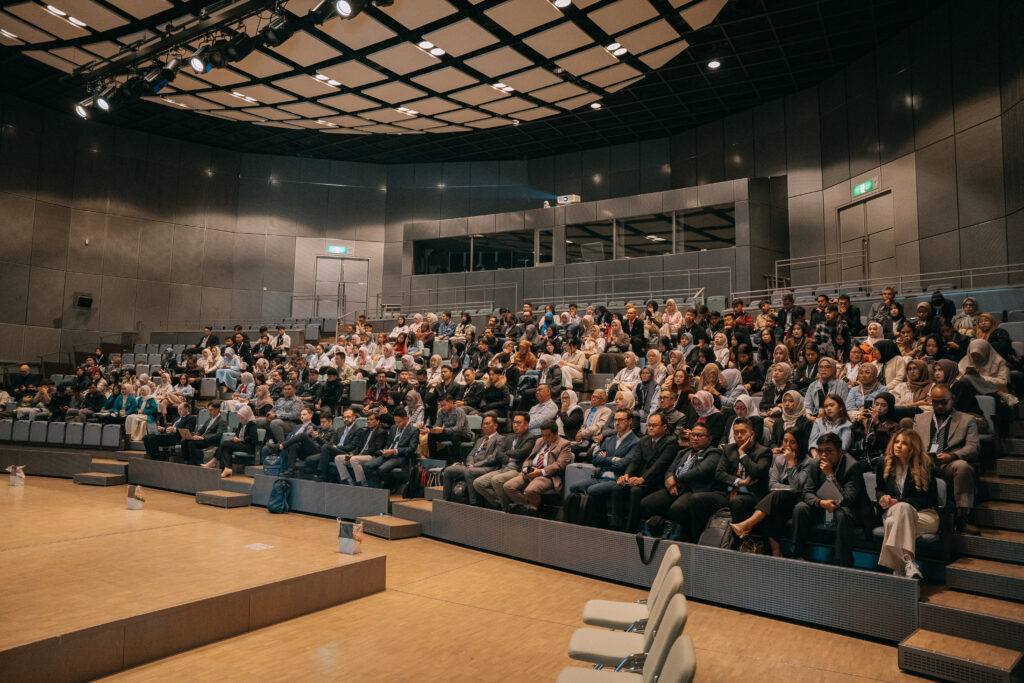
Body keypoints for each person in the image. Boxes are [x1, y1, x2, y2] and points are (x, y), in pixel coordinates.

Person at [791, 433, 873, 567]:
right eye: (820, 451)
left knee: (842, 513)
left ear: (840, 451)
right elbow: (807, 493)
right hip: (824, 507)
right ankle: (797, 556)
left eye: (828, 451)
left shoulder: (853, 466)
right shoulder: (814, 464)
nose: (823, 455)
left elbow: (847, 499)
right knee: (801, 507)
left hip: (853, 511)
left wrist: (830, 475)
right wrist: (820, 503)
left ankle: (842, 563)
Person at [729, 428, 813, 556]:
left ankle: (748, 524)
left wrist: (791, 463)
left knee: (777, 495)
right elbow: (772, 485)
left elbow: (797, 487)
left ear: (800, 443)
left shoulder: (808, 462)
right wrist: (789, 488)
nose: (787, 445)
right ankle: (776, 552)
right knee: (774, 509)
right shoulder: (779, 459)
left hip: (798, 501)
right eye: (785, 441)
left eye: (792, 442)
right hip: (779, 501)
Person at [639, 422, 723, 542]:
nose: (695, 438)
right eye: (693, 435)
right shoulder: (683, 452)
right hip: (676, 487)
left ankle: (684, 538)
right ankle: (661, 528)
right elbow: (670, 470)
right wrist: (669, 481)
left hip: (693, 490)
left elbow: (700, 471)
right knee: (646, 503)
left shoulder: (714, 453)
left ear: (709, 439)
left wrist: (676, 479)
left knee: (677, 508)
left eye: (699, 435)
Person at [914, 385, 980, 534]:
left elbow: (973, 446)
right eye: (935, 402)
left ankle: (963, 517)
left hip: (949, 462)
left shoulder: (967, 420)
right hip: (926, 462)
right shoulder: (920, 418)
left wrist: (952, 456)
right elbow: (914, 443)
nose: (939, 406)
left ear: (953, 399)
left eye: (943, 402)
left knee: (962, 467)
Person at [875, 429, 938, 579]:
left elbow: (931, 499)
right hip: (893, 512)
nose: (898, 446)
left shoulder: (926, 466)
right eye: (896, 442)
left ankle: (899, 568)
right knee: (901, 509)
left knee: (894, 523)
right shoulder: (883, 463)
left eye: (904, 443)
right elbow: (879, 489)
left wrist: (900, 501)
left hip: (924, 515)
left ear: (913, 448)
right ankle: (910, 563)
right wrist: (883, 498)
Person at [609, 413, 677, 533]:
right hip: (640, 478)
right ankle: (616, 527)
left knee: (636, 491)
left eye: (654, 425)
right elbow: (635, 461)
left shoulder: (671, 442)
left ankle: (631, 530)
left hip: (655, 481)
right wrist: (627, 475)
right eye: (649, 425)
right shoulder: (644, 440)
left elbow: (659, 465)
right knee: (617, 488)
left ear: (664, 427)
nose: (650, 428)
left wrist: (642, 479)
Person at [571, 410, 640, 515]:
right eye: (615, 420)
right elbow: (595, 460)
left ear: (630, 421)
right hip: (600, 477)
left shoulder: (636, 442)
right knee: (574, 487)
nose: (617, 423)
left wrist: (605, 460)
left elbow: (624, 464)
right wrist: (613, 459)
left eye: (621, 420)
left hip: (617, 479)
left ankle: (599, 520)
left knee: (592, 490)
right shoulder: (609, 440)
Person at [503, 420, 572, 515]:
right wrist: (525, 469)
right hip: (531, 471)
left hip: (547, 476)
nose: (545, 438)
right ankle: (529, 510)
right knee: (508, 486)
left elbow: (560, 464)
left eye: (548, 435)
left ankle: (531, 512)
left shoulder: (564, 444)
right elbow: (529, 458)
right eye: (543, 435)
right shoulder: (539, 441)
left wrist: (541, 472)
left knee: (530, 490)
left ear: (556, 433)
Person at [473, 413, 538, 510]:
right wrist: (508, 458)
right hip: (504, 468)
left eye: (519, 423)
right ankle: (504, 504)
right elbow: (498, 453)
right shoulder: (509, 437)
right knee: (478, 483)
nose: (515, 425)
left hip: (517, 470)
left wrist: (506, 452)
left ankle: (506, 508)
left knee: (496, 480)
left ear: (526, 424)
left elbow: (521, 453)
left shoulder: (531, 438)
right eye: (514, 422)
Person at [443, 413, 504, 504]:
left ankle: (473, 502)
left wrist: (474, 465)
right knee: (448, 470)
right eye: (483, 424)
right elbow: (471, 454)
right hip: (472, 466)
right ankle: (446, 499)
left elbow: (493, 458)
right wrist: (470, 464)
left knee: (469, 472)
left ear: (495, 425)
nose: (484, 426)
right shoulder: (480, 439)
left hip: (488, 467)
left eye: (487, 423)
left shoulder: (500, 439)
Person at [363, 407, 418, 489]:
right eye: (395, 421)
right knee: (367, 466)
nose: (397, 424)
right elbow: (388, 444)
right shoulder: (393, 427)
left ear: (406, 419)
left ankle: (389, 486)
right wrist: (384, 451)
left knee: (382, 469)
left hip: (400, 456)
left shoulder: (414, 430)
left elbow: (411, 449)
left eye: (399, 422)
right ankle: (377, 486)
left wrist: (394, 451)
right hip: (388, 454)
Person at [336, 412, 388, 486]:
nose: (368, 421)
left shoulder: (382, 432)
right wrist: (352, 454)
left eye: (371, 419)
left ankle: (362, 483)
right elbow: (359, 447)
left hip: (372, 456)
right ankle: (349, 481)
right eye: (367, 419)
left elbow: (374, 448)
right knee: (338, 458)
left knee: (354, 459)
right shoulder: (366, 431)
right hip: (360, 455)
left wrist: (358, 455)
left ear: (377, 421)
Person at [208, 405, 259, 478]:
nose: (240, 420)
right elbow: (237, 434)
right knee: (226, 448)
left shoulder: (251, 424)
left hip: (248, 446)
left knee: (224, 443)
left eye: (242, 418)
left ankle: (214, 460)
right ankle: (227, 468)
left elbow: (253, 438)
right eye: (239, 418)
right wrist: (235, 437)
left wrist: (241, 439)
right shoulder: (241, 424)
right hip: (240, 444)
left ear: (247, 416)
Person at [425, 393, 472, 463]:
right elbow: (438, 425)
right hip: (449, 433)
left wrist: (443, 430)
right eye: (441, 406)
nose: (442, 407)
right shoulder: (442, 412)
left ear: (451, 403)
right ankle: (434, 458)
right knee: (431, 435)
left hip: (464, 434)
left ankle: (457, 460)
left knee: (455, 435)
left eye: (444, 405)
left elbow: (459, 429)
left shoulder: (460, 411)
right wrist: (432, 430)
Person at [180, 401, 227, 466]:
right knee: (184, 440)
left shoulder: (222, 421)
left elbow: (218, 435)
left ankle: (195, 463)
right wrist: (196, 436)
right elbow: (201, 430)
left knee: (191, 443)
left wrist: (203, 437)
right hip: (203, 439)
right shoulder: (209, 420)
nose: (209, 412)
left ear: (217, 410)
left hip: (211, 441)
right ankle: (186, 461)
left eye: (211, 410)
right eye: (209, 410)